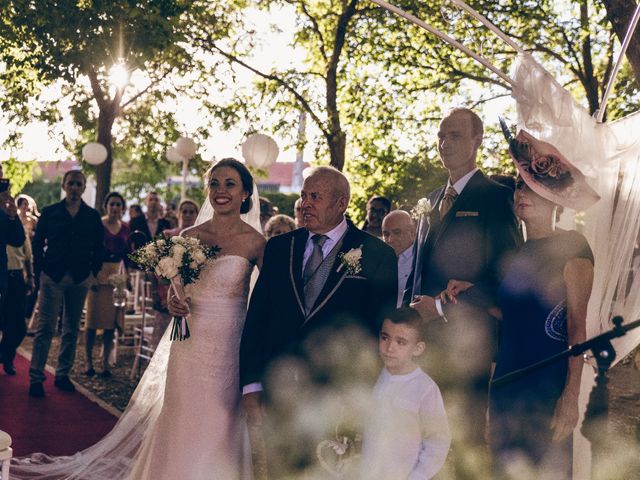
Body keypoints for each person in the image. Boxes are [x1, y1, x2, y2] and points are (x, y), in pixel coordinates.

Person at [11, 158, 265, 480]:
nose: (221, 191)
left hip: (230, 346)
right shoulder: (189, 235)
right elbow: (177, 288)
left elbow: (267, 302)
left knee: (219, 418)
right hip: (188, 344)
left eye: (230, 184)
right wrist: (173, 300)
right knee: (182, 414)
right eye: (214, 183)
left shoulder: (256, 242)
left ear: (245, 193)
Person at [441, 128, 598, 478]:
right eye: (518, 186)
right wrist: (471, 291)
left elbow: (577, 327)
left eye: (530, 186)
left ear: (554, 198)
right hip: (507, 382)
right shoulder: (516, 253)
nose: (521, 193)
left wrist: (570, 398)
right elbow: (510, 313)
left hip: (548, 383)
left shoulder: (573, 247)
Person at [239, 165, 397, 476]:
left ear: (342, 203)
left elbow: (377, 332)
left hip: (335, 395)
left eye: (315, 196)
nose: (306, 203)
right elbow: (258, 316)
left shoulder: (377, 254)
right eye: (303, 196)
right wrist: (251, 384)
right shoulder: (280, 247)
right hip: (279, 387)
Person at [405, 108, 521, 471]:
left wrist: (441, 308)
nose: (445, 143)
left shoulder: (496, 197)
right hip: (426, 341)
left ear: (477, 141)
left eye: (455, 135)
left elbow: (509, 274)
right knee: (425, 440)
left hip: (470, 341)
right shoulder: (433, 198)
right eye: (441, 135)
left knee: (466, 441)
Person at [28, 170, 104, 397]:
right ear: (63, 186)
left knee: (71, 328)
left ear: (83, 188)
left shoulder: (91, 216)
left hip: (80, 278)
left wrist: (94, 272)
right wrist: (39, 271)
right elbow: (37, 243)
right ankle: (36, 377)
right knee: (45, 327)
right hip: (53, 276)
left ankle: (62, 374)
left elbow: (99, 246)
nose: (74, 187)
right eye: (70, 183)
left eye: (78, 184)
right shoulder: (51, 213)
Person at [360, 307, 450, 480]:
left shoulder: (425, 388)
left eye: (401, 342)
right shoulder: (372, 376)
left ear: (418, 348)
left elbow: (438, 442)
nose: (390, 348)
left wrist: (418, 477)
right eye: (385, 338)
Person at [84, 192, 131, 378]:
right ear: (106, 206)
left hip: (118, 276)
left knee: (111, 322)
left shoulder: (126, 228)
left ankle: (105, 364)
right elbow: (88, 250)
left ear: (122, 208)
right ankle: (88, 362)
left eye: (118, 204)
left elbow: (127, 254)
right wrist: (91, 275)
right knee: (92, 321)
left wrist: (126, 281)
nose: (115, 208)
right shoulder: (98, 225)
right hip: (98, 272)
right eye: (112, 204)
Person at [151, 199, 200, 348]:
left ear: (197, 214)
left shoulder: (201, 238)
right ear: (178, 214)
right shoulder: (168, 235)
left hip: (194, 295)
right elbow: (157, 264)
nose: (187, 214)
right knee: (164, 343)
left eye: (191, 211)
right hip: (168, 291)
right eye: (184, 211)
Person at [1, 218, 34, 375]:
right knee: (5, 320)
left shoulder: (18, 227)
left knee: (19, 327)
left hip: (16, 277)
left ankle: (5, 354)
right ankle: (7, 358)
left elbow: (28, 255)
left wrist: (31, 277)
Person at [381, 210, 416, 307]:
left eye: (397, 232)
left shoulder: (421, 259)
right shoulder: (380, 259)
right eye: (386, 234)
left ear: (412, 232)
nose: (390, 239)